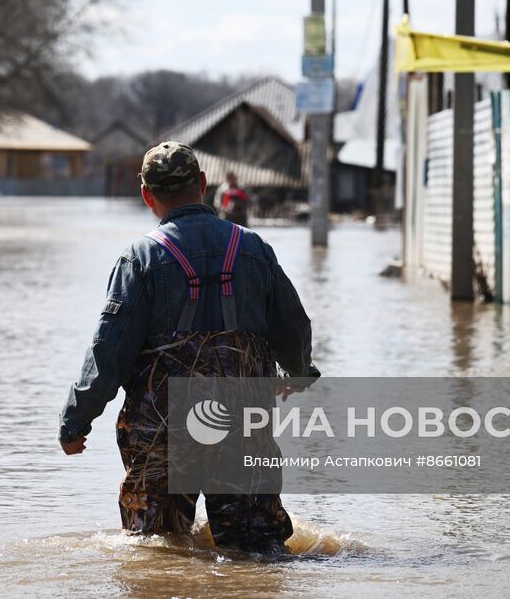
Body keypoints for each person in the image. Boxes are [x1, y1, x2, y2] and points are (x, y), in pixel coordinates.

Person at [59, 141, 318, 554]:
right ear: (203, 184)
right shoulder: (253, 250)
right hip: (242, 428)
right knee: (257, 550)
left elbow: (108, 352)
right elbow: (293, 325)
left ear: (146, 195)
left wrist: (76, 420)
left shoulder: (140, 259)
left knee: (155, 550)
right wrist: (300, 372)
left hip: (163, 432)